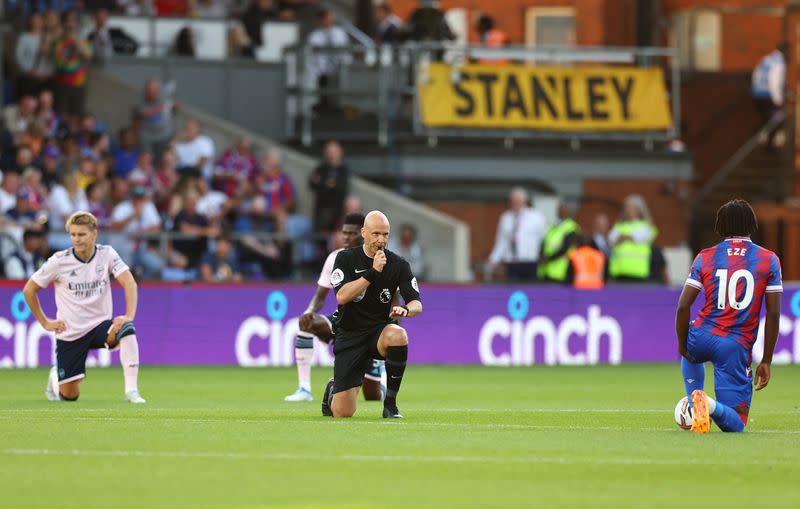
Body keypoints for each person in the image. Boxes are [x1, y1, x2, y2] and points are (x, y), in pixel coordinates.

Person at [676, 199, 781, 433]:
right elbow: (773, 313)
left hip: (702, 334)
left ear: (719, 225)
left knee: (691, 352)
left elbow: (683, 306)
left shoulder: (705, 256)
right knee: (736, 423)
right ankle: (707, 404)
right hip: (734, 345)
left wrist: (684, 345)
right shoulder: (768, 260)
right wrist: (766, 360)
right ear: (752, 224)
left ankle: (694, 403)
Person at [22, 211, 146, 404]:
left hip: (100, 326)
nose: (76, 239)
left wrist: (129, 315)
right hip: (71, 332)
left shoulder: (107, 254)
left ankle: (132, 391)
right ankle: (56, 377)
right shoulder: (59, 260)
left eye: (81, 234)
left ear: (94, 234)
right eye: (73, 235)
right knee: (69, 396)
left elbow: (129, 282)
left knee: (126, 328)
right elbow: (29, 290)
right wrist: (45, 323)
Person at [321, 210, 422, 419]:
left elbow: (416, 303)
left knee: (398, 334)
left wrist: (406, 309)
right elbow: (341, 296)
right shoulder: (345, 258)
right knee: (343, 412)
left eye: (385, 235)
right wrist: (373, 272)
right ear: (364, 232)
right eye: (376, 234)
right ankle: (333, 389)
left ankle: (391, 406)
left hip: (378, 333)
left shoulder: (399, 264)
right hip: (350, 334)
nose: (381, 240)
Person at [285, 213, 386, 402]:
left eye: (351, 233)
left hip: (370, 328)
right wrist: (309, 311)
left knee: (373, 396)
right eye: (344, 233)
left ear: (364, 233)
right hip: (343, 322)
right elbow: (320, 296)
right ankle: (304, 389)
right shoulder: (334, 258)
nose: (345, 237)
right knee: (307, 324)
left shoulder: (381, 259)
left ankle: (382, 376)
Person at [486, 187, 547, 282]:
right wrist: (494, 258)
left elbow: (544, 238)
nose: (515, 203)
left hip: (530, 261)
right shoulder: (506, 217)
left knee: (530, 291)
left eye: (518, 201)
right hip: (512, 262)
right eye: (513, 201)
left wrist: (542, 255)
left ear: (525, 201)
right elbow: (502, 240)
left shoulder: (536, 217)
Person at [607, 194, 658, 282]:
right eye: (626, 207)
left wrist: (623, 237)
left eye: (630, 207)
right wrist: (628, 237)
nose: (627, 210)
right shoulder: (619, 225)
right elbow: (610, 240)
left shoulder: (646, 226)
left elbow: (640, 237)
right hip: (618, 271)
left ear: (638, 209)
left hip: (638, 272)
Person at [751, 41, 786, 146]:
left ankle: (764, 137)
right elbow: (774, 81)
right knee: (777, 117)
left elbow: (756, 73)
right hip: (768, 95)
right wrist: (777, 99)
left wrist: (755, 88)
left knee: (764, 118)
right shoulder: (779, 62)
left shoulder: (766, 59)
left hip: (757, 93)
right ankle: (776, 139)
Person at [538, 200, 580, 283]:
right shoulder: (552, 227)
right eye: (559, 209)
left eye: (563, 209)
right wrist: (541, 255)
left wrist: (547, 259)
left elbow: (565, 248)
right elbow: (544, 242)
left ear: (568, 212)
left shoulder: (572, 228)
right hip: (546, 271)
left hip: (561, 272)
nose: (560, 211)